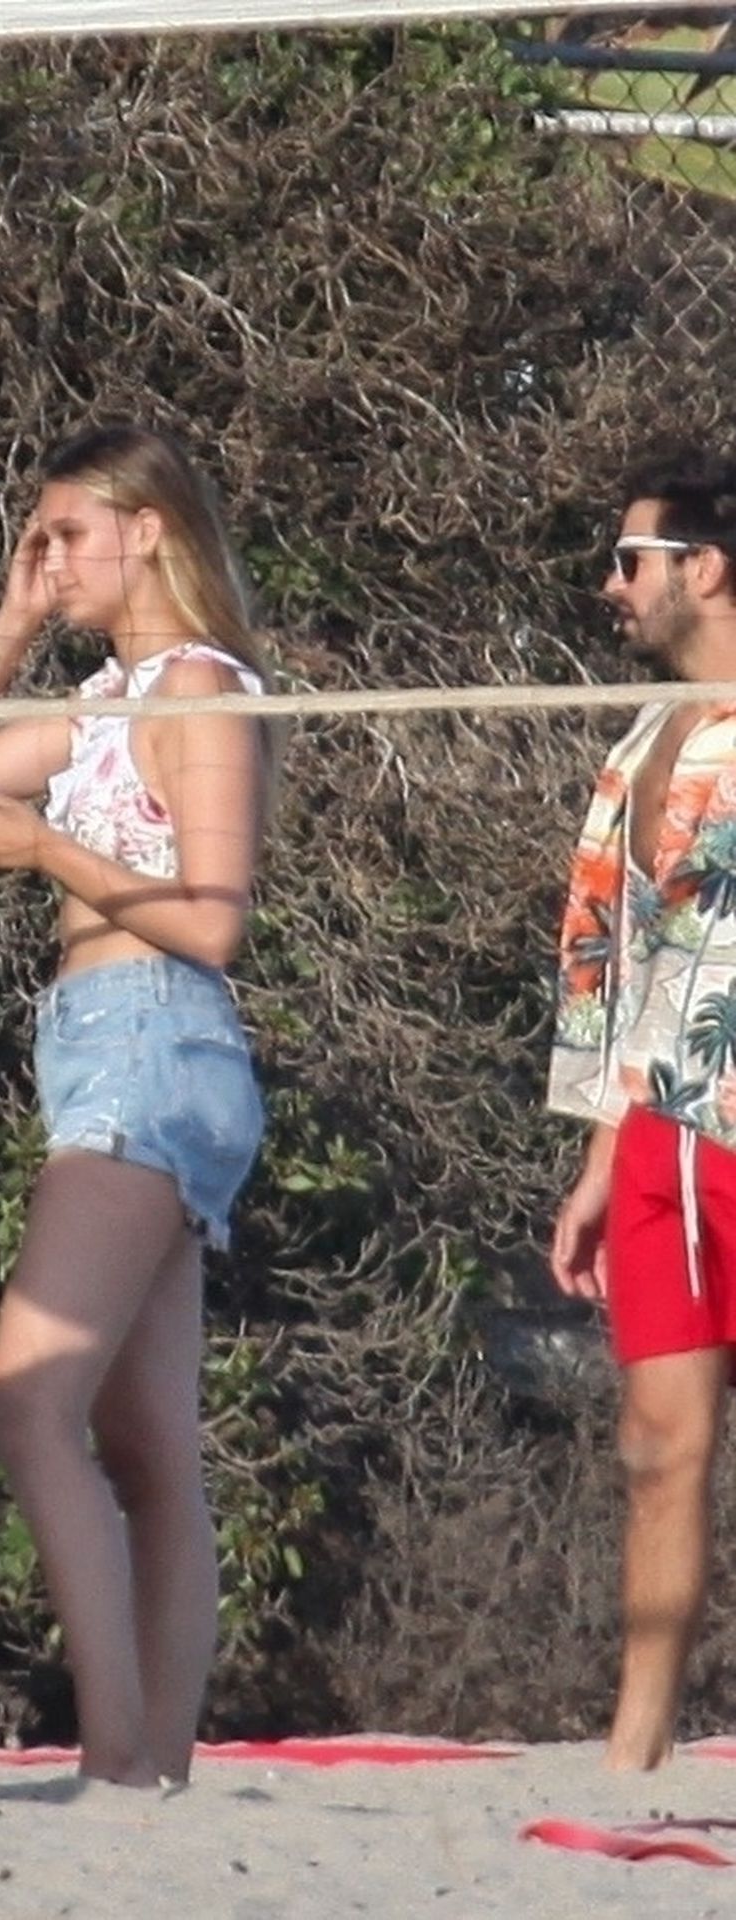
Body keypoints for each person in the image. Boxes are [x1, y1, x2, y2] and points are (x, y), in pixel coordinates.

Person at [0, 424, 271, 1786]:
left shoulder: (198, 690)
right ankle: (152, 1763)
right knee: (144, 1441)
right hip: (108, 1044)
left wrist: (52, 849)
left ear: (148, 530)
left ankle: (113, 1753)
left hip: (151, 1042)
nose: (49, 560)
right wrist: (8, 623)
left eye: (67, 536)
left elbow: (213, 921)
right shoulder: (113, 695)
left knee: (24, 1401)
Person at [550, 447, 736, 1770]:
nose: (611, 585)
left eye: (632, 559)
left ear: (706, 569)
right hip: (665, 1130)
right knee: (657, 1444)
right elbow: (611, 968)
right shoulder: (639, 739)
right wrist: (599, 1156)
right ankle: (635, 1750)